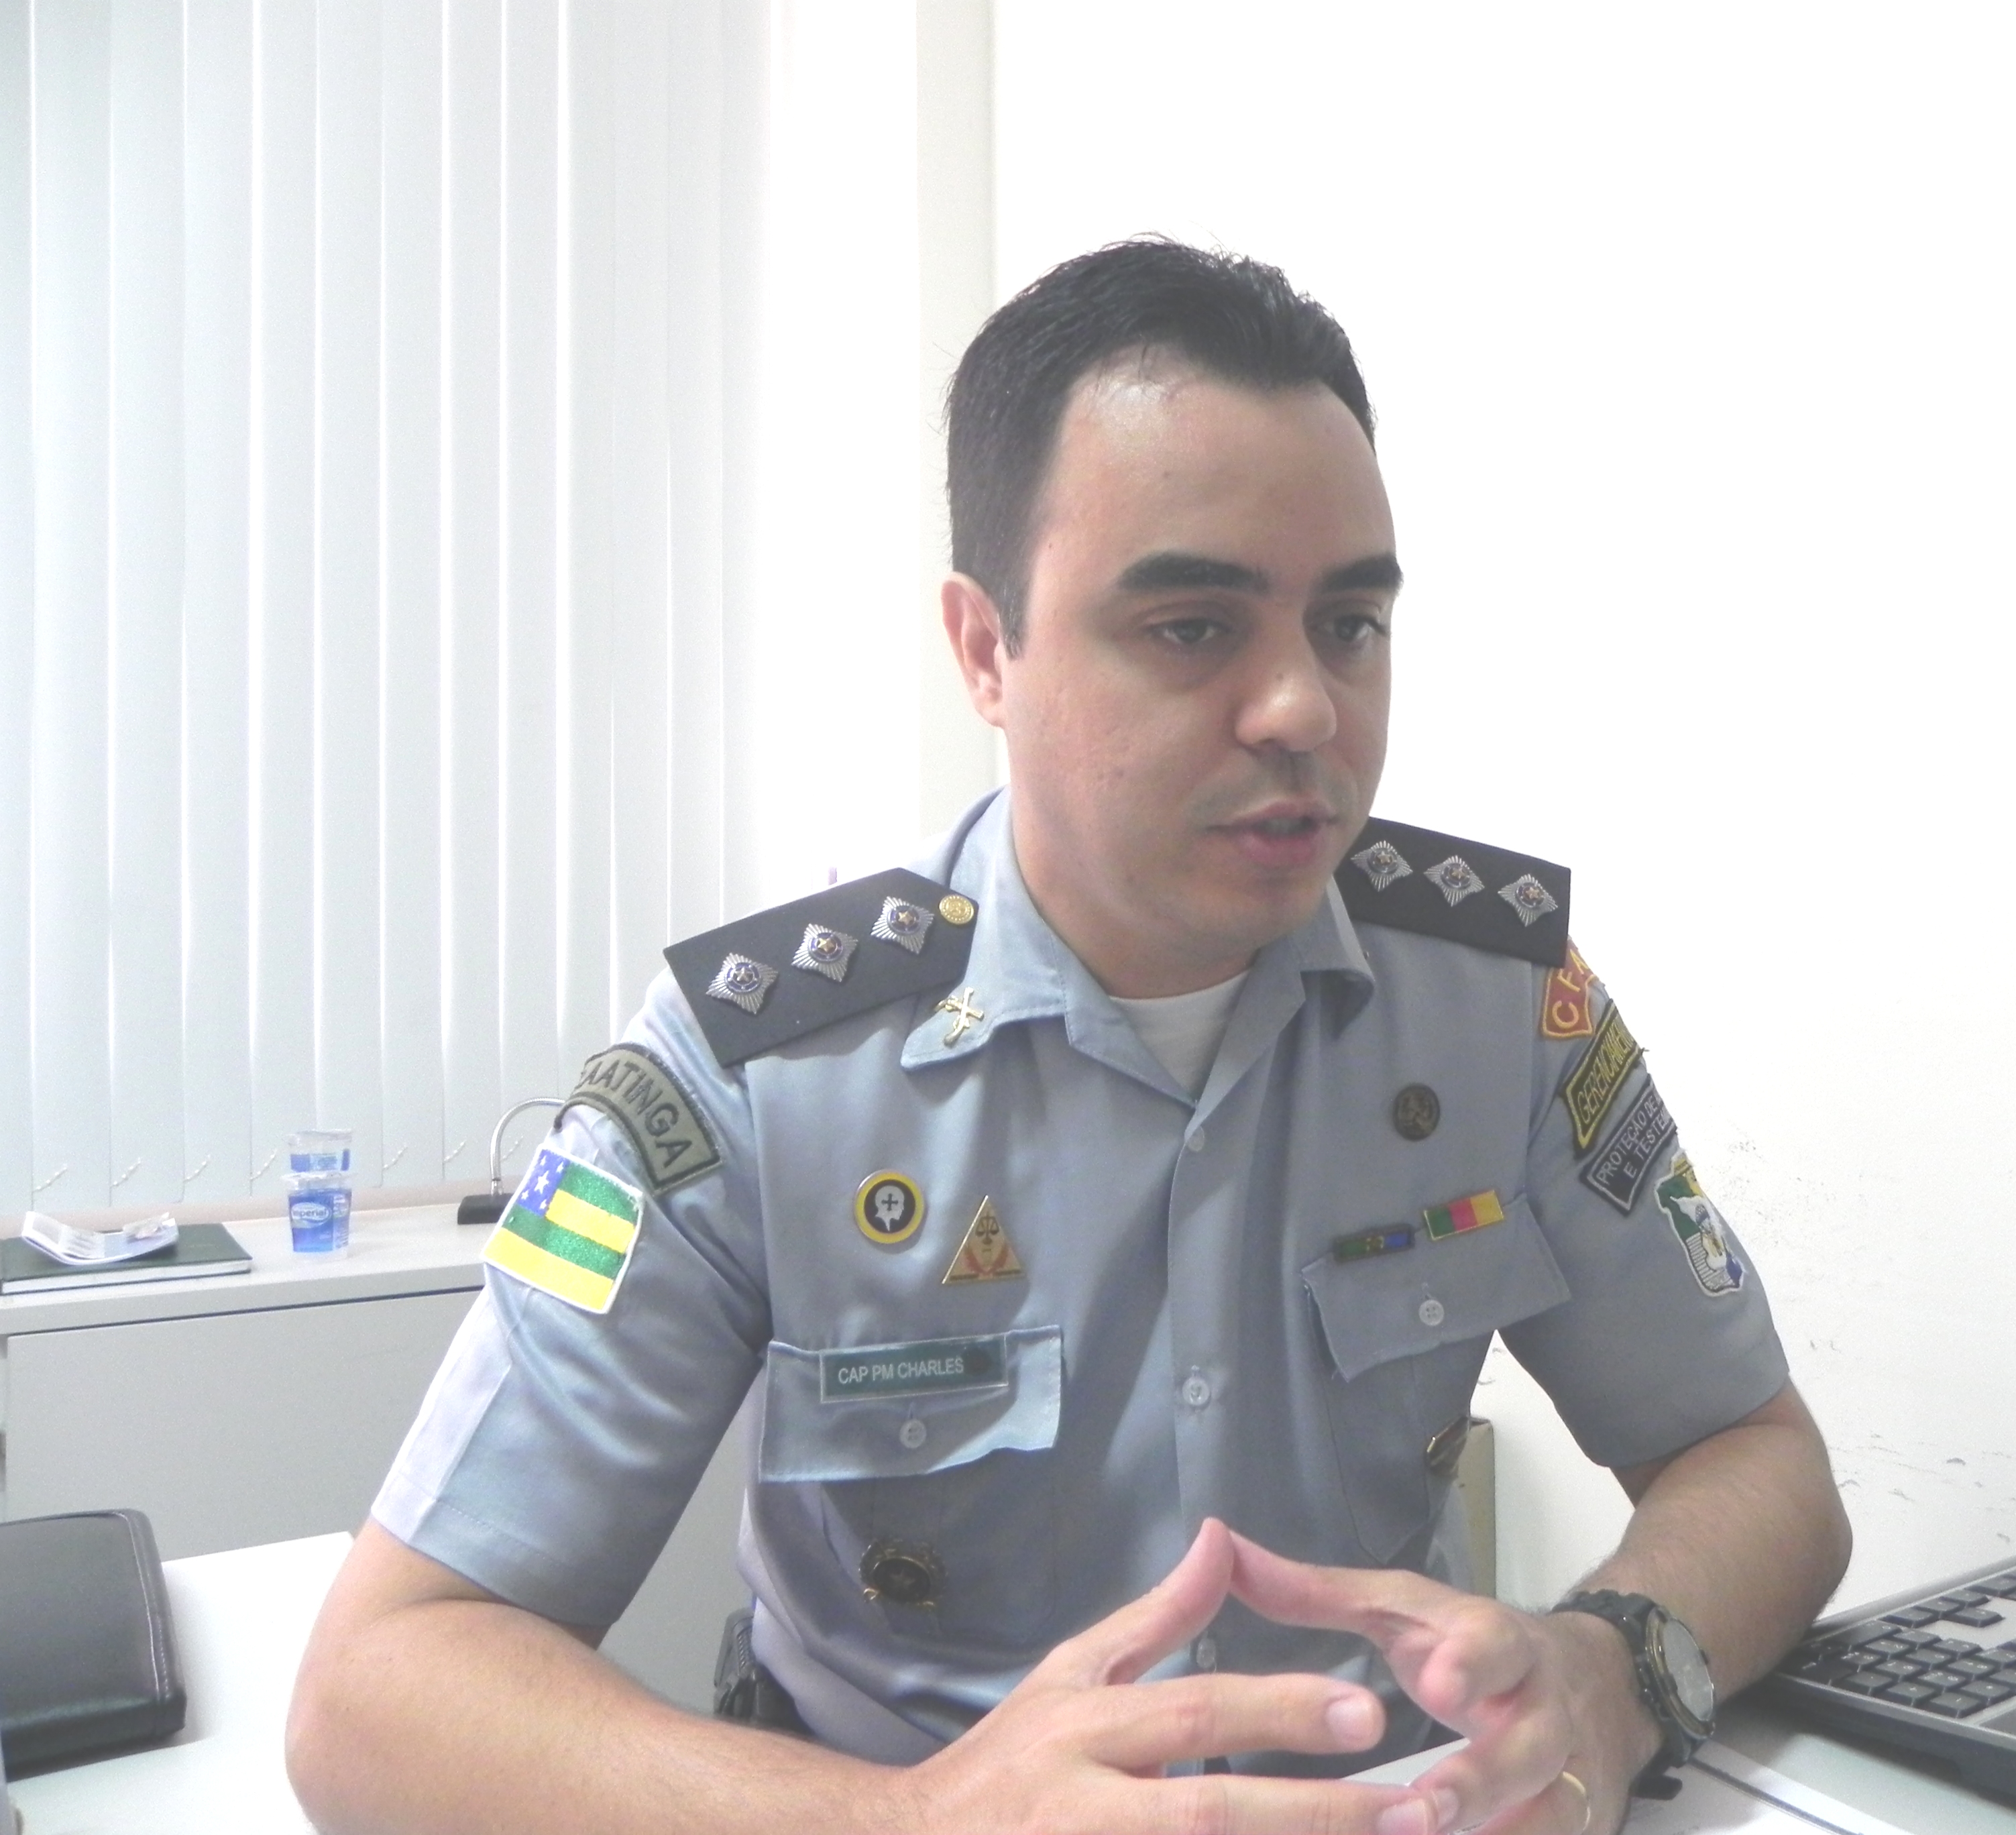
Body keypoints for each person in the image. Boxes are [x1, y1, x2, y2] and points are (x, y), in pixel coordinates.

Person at [288, 239, 1851, 1835]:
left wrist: (1610, 1668)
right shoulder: (758, 1068)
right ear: (987, 649)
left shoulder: (1495, 1003)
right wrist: (913, 1824)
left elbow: (1758, 1458)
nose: (1303, 710)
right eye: (1192, 628)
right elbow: (381, 1685)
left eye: (1350, 624)